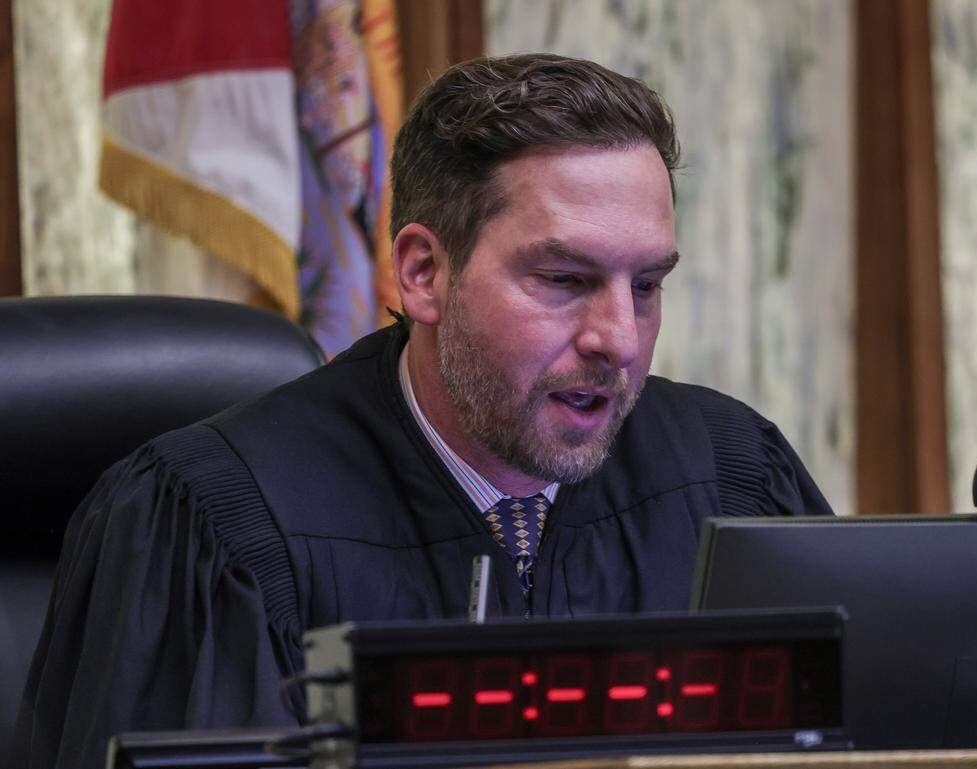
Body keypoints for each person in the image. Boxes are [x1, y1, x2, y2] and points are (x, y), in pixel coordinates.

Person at [14, 53, 832, 769]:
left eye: (646, 285)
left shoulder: (733, 480)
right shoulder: (217, 525)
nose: (619, 338)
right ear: (423, 274)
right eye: (565, 280)